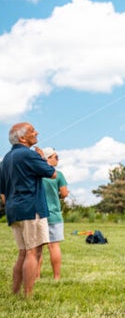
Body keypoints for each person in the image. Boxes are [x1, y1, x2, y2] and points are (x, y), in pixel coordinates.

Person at [0, 122, 57, 297]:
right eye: (33, 131)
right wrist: (41, 157)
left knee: (23, 252)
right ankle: (28, 295)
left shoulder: (6, 159)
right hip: (31, 208)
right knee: (33, 252)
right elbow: (52, 173)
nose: (37, 132)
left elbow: (2, 193)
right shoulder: (29, 155)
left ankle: (16, 291)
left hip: (13, 210)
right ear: (22, 138)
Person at [37, 147, 68, 280]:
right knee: (54, 246)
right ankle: (56, 277)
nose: (58, 159)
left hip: (38, 214)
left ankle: (36, 276)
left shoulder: (37, 174)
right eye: (56, 157)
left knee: (37, 247)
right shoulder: (58, 175)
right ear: (48, 158)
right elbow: (64, 193)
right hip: (54, 214)